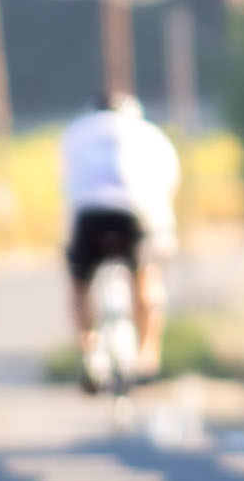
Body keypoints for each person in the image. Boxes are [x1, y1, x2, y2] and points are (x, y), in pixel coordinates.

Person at [56, 89, 184, 365]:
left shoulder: (76, 131)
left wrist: (67, 235)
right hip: (133, 212)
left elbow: (67, 183)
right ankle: (147, 356)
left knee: (79, 285)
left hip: (88, 214)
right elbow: (167, 182)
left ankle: (89, 351)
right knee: (145, 276)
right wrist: (166, 233)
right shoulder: (147, 132)